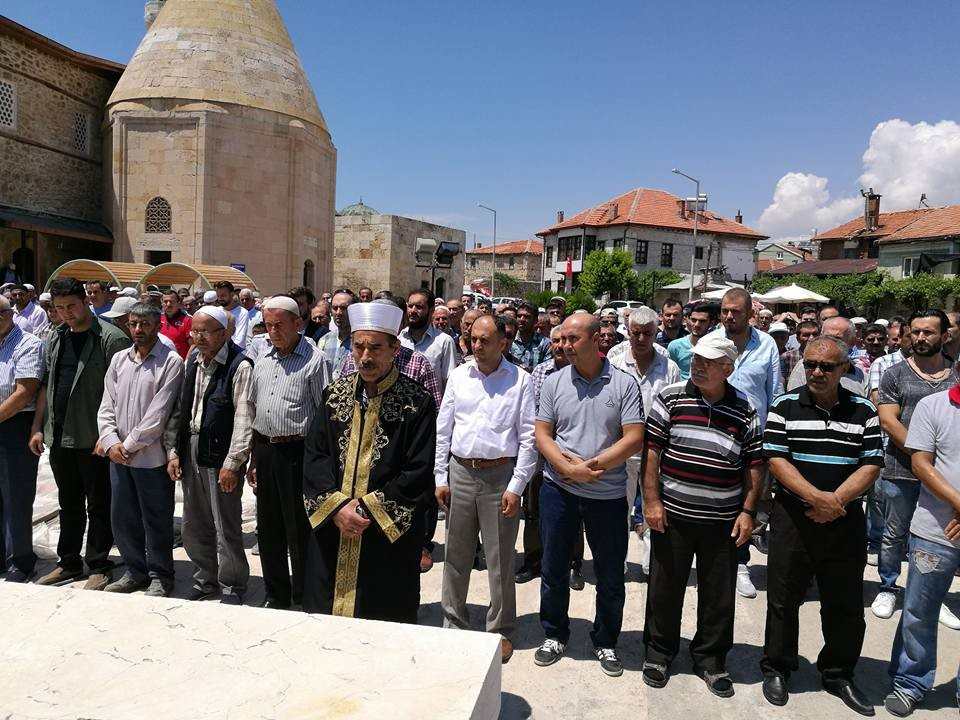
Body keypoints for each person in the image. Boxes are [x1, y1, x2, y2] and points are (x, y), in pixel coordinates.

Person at [760, 336, 883, 715]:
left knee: (844, 602)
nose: (816, 371)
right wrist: (817, 498)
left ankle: (837, 672)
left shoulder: (863, 410)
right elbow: (777, 459)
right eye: (811, 364)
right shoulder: (784, 405)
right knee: (783, 598)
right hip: (794, 518)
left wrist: (837, 501)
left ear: (844, 369)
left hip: (845, 521)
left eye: (826, 366)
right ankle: (778, 667)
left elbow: (872, 462)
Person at [641, 335, 763, 696]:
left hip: (722, 521)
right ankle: (659, 653)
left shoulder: (745, 409)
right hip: (673, 515)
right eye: (696, 359)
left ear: (728, 368)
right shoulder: (671, 397)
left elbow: (754, 466)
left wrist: (748, 511)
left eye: (707, 362)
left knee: (718, 594)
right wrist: (651, 501)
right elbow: (652, 454)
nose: (697, 366)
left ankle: (710, 659)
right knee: (664, 589)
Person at [302, 301, 436, 621]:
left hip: (383, 538)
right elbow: (315, 456)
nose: (365, 356)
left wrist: (362, 511)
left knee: (381, 620)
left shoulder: (417, 403)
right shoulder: (333, 395)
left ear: (394, 349)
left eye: (375, 348)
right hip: (333, 528)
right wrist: (337, 508)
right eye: (358, 346)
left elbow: (417, 472)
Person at [533, 312, 645, 677]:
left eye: (573, 339)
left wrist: (592, 466)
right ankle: (554, 632)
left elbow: (633, 438)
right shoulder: (552, 382)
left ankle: (606, 640)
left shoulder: (624, 384)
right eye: (562, 339)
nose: (564, 345)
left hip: (608, 495)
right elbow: (543, 434)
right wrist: (567, 470)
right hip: (558, 490)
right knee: (552, 567)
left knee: (610, 573)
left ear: (597, 340)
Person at [436, 315, 537, 663]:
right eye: (472, 339)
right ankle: (453, 621)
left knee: (500, 560)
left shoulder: (520, 381)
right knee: (456, 556)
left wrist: (517, 485)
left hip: (500, 479)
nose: (476, 346)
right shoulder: (459, 376)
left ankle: (501, 630)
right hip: (461, 472)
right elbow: (443, 428)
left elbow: (528, 438)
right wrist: (440, 477)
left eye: (484, 340)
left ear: (502, 343)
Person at [32, 278, 131, 590]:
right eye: (59, 308)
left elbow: (121, 393)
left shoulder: (110, 339)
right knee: (68, 502)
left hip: (95, 436)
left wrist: (111, 435)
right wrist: (38, 427)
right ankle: (69, 562)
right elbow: (46, 385)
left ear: (86, 301)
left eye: (71, 306)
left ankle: (99, 564)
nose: (66, 314)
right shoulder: (56, 336)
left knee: (99, 503)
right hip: (61, 434)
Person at [872, 310, 960, 628]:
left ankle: (933, 598)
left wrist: (936, 464)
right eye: (916, 332)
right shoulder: (895, 374)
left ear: (944, 336)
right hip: (901, 468)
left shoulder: (955, 375)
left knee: (938, 540)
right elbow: (888, 419)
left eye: (929, 332)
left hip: (945, 477)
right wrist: (923, 455)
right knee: (894, 534)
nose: (921, 338)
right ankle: (888, 586)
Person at [164, 305, 254, 605]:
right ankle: (205, 579)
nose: (197, 337)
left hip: (221, 455)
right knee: (194, 521)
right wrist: (174, 450)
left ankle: (232, 584)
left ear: (224, 333)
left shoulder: (239, 365)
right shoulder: (193, 360)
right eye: (195, 331)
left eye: (204, 331)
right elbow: (182, 406)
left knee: (225, 523)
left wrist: (233, 463)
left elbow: (243, 418)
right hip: (192, 448)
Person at [248, 296, 331, 609]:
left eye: (279, 325)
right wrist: (254, 458)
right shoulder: (263, 357)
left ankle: (303, 594)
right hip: (267, 450)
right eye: (269, 325)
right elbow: (256, 407)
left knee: (300, 529)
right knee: (268, 528)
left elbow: (325, 416)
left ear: (298, 323)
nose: (273, 331)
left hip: (299, 453)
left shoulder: (314, 360)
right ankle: (276, 594)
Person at [96, 303, 183, 597]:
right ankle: (134, 571)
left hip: (150, 458)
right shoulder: (120, 360)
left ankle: (161, 574)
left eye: (144, 324)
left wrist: (129, 445)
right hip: (118, 457)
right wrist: (110, 441)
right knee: (122, 516)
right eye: (133, 324)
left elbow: (159, 414)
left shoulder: (171, 362)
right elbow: (107, 404)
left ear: (157, 325)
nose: (138, 330)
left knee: (156, 518)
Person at [885, 379, 960, 716]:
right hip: (935, 530)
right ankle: (911, 681)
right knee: (918, 612)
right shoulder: (933, 406)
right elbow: (920, 463)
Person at [707, 288, 782, 598]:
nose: (728, 316)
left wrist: (772, 442)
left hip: (751, 440)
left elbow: (774, 394)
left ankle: (740, 565)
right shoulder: (712, 341)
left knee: (745, 505)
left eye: (735, 311)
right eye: (724, 310)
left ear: (750, 313)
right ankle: (712, 562)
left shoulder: (766, 346)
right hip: (714, 436)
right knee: (715, 504)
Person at [613, 307, 681, 573]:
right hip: (621, 451)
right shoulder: (615, 362)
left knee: (657, 507)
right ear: (628, 332)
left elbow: (675, 409)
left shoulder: (670, 368)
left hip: (658, 452)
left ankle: (653, 559)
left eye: (647, 333)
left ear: (656, 332)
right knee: (619, 510)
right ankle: (617, 559)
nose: (641, 339)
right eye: (636, 333)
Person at [516, 326, 569, 584]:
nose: (559, 346)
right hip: (540, 450)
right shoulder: (539, 372)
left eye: (565, 341)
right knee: (534, 508)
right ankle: (533, 560)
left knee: (572, 511)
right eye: (555, 341)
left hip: (571, 452)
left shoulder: (581, 371)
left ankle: (573, 563)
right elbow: (533, 413)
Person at [0, 296, 43, 581]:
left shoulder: (28, 344)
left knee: (16, 496)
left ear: (9, 314)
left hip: (15, 427)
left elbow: (24, 393)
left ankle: (21, 560)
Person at [786, 316, 868, 396]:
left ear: (852, 342)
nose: (830, 343)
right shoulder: (805, 367)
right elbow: (793, 402)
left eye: (837, 339)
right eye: (827, 337)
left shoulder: (860, 375)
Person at [399, 288, 460, 392]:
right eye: (410, 306)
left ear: (431, 311)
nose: (412, 311)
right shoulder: (400, 338)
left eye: (419, 307)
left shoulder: (444, 342)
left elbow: (449, 382)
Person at [668, 301, 717, 380]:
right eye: (693, 320)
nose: (697, 325)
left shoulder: (716, 348)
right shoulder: (675, 346)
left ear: (711, 323)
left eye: (702, 321)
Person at [318, 288, 355, 377]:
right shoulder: (324, 340)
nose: (338, 312)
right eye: (335, 308)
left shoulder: (360, 342)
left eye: (343, 308)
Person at [512, 301, 550, 372]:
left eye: (527, 317)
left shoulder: (545, 344)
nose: (522, 319)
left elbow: (546, 371)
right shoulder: (509, 339)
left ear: (535, 320)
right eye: (519, 316)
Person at [159, 290, 192, 359]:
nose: (168, 304)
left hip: (180, 364)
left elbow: (193, 345)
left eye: (172, 302)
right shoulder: (157, 319)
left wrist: (187, 362)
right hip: (160, 362)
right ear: (162, 303)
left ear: (178, 303)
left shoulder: (188, 320)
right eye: (165, 302)